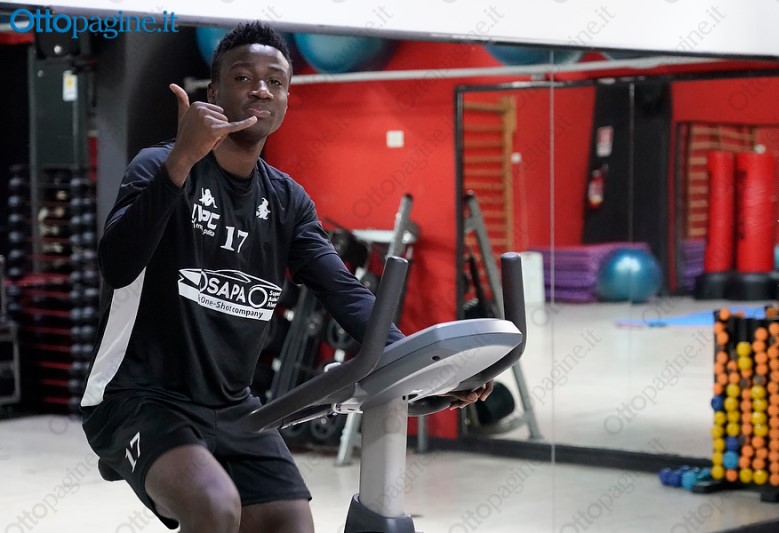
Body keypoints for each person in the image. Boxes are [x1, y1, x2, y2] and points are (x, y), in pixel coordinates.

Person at [81, 22, 492, 533]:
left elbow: (344, 292)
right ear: (214, 93)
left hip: (232, 405)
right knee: (214, 507)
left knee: (290, 522)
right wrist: (182, 159)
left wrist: (423, 368)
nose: (261, 90)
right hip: (139, 397)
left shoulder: (287, 201)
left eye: (275, 82)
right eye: (243, 77)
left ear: (286, 100)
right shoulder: (159, 165)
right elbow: (118, 265)